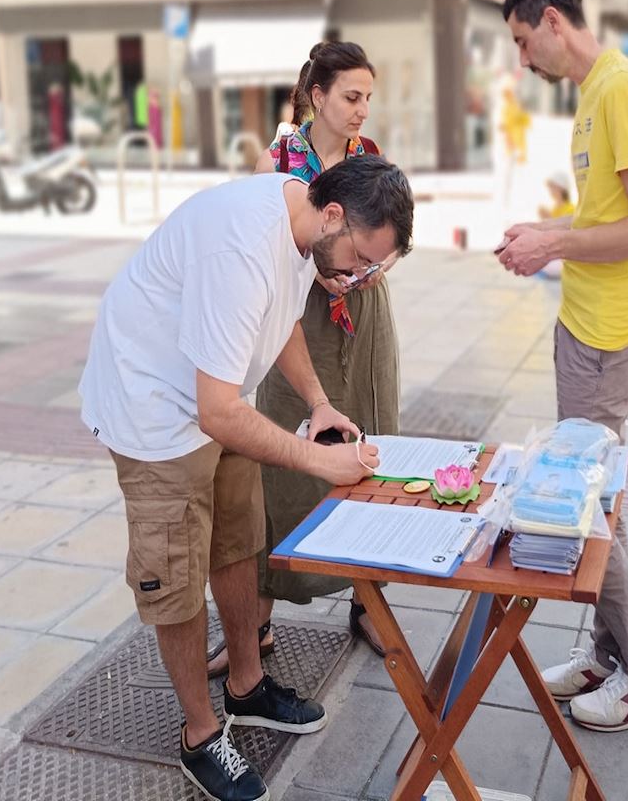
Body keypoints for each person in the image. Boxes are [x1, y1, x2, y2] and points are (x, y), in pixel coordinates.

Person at [78, 153, 413, 801]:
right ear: (334, 214)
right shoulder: (242, 248)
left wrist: (319, 403)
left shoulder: (304, 223)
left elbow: (278, 320)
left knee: (237, 539)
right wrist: (321, 461)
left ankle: (247, 685)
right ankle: (200, 735)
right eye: (358, 259)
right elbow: (217, 413)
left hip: (216, 391)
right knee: (176, 574)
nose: (357, 276)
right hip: (155, 406)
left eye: (372, 267)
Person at [496, 0, 628, 733]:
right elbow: (608, 216)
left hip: (614, 326)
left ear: (552, 20)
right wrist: (546, 234)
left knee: (581, 496)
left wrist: (552, 245)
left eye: (522, 40)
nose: (522, 60)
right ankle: (610, 653)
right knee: (598, 494)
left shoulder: (619, 90)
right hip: (590, 320)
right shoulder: (593, 94)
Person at [249, 42, 399, 660]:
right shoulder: (279, 161)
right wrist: (318, 272)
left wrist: (369, 267)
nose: (362, 109)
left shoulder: (370, 158)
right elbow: (266, 242)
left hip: (364, 316)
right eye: (351, 96)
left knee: (373, 442)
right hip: (298, 317)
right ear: (318, 96)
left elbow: (393, 237)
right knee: (280, 454)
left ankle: (370, 602)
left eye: (368, 98)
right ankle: (256, 623)